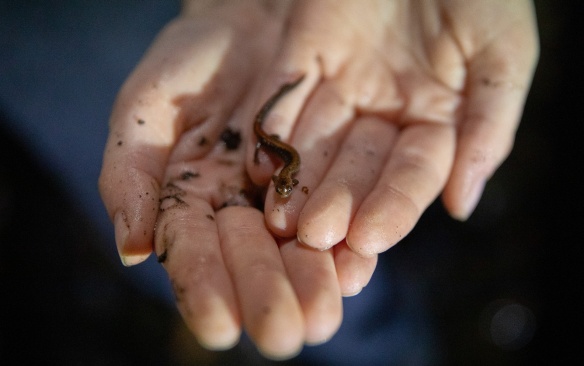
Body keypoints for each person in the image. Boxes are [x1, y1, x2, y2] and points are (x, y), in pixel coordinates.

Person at [98, 0, 539, 360]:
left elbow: (293, 175)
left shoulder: (288, 173)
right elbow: (286, 168)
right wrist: (262, 151)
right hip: (268, 140)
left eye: (286, 187)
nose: (285, 189)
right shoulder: (280, 166)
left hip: (276, 143)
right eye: (284, 187)